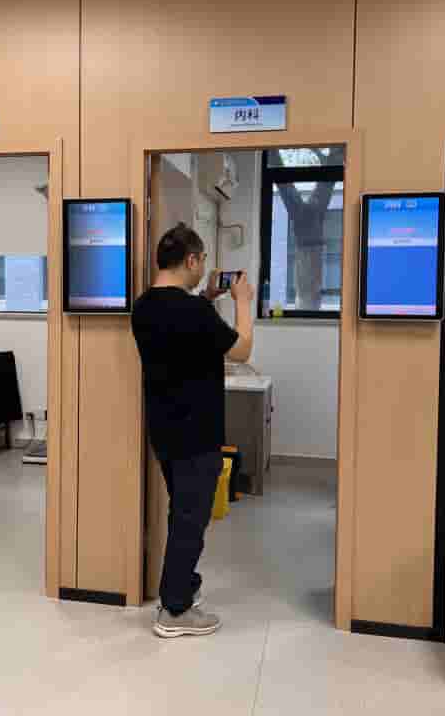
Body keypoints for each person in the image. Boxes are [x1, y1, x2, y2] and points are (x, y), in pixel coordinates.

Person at [131, 223, 255, 638]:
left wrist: (207, 298)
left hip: (165, 431)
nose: (203, 268)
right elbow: (242, 350)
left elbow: (183, 327)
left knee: (182, 512)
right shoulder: (194, 313)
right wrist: (242, 303)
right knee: (191, 520)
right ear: (191, 260)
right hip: (198, 433)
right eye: (201, 260)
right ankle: (175, 610)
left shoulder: (144, 306)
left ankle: (182, 586)